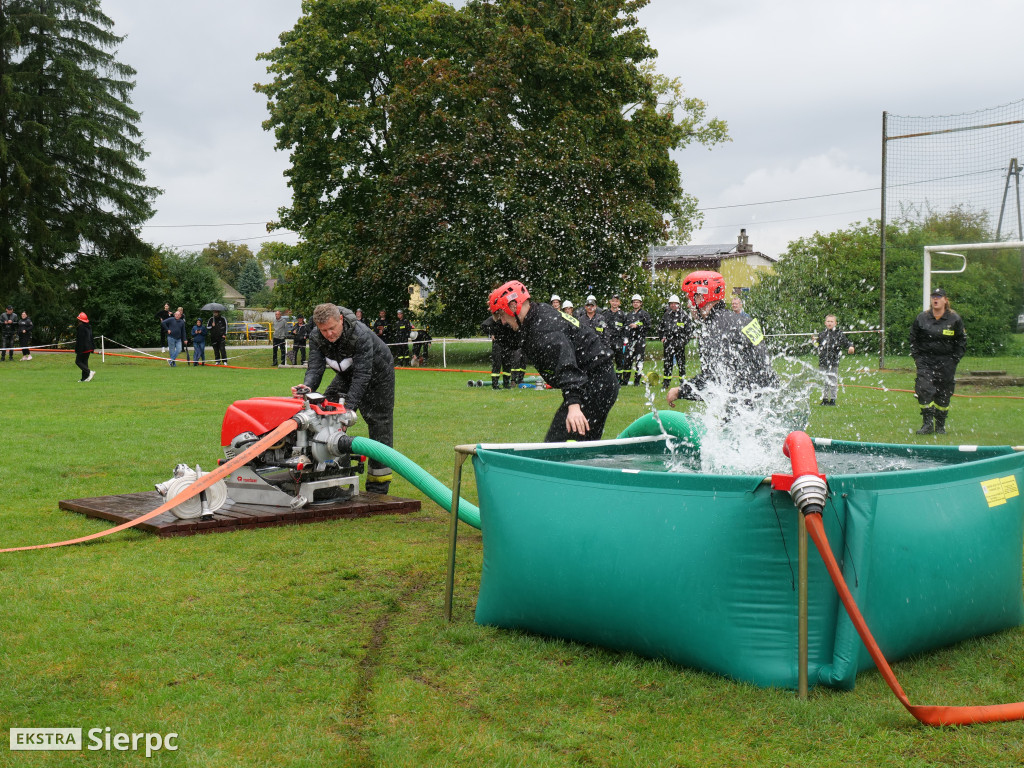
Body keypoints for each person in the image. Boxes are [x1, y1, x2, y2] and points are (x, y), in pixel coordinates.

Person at [489, 280, 619, 442]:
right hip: (597, 380)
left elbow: (566, 361)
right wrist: (493, 316)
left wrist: (573, 405)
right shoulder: (535, 316)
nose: (502, 321)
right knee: (582, 446)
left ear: (514, 306)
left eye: (501, 315)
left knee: (556, 445)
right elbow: (510, 338)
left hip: (595, 382)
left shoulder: (544, 329)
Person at [297, 303, 396, 495]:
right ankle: (332, 475)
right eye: (324, 330)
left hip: (378, 377)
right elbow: (315, 368)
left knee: (379, 425)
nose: (329, 334)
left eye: (332, 328)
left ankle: (378, 487)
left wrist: (348, 408)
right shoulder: (316, 336)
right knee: (326, 416)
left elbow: (362, 376)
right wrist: (307, 387)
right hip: (346, 376)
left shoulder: (360, 334)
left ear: (341, 319)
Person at [666, 271, 778, 407]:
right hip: (768, 399)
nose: (689, 305)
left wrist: (680, 391)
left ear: (701, 297)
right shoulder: (745, 321)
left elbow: (713, 380)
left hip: (745, 404)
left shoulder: (713, 330)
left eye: (690, 299)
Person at [909, 287, 966, 435]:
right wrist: (917, 357)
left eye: (939, 297)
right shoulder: (922, 318)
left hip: (946, 361)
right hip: (925, 361)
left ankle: (940, 425)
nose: (936, 299)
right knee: (924, 389)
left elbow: (961, 341)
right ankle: (927, 424)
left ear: (945, 300)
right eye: (933, 296)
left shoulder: (954, 319)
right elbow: (913, 338)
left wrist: (955, 359)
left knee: (944, 393)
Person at [814, 314, 854, 406]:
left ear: (835, 323)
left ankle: (832, 400)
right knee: (824, 381)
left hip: (834, 362)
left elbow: (847, 342)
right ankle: (824, 399)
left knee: (833, 381)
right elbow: (816, 345)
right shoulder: (821, 334)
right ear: (825, 323)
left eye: (831, 321)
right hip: (822, 361)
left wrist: (851, 347)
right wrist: (814, 341)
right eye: (828, 321)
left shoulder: (839, 334)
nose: (829, 323)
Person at [659, 294, 692, 390]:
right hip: (668, 342)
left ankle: (683, 383)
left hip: (679, 343)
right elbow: (660, 327)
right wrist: (662, 337)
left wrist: (684, 341)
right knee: (667, 364)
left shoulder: (684, 315)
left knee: (681, 364)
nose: (673, 305)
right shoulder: (666, 315)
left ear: (679, 304)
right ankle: (666, 383)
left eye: (675, 303)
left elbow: (689, 330)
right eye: (671, 304)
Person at [480, 314, 523, 390]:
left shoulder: (511, 318)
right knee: (497, 364)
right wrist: (491, 333)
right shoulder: (495, 318)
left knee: (507, 364)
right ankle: (495, 385)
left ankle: (506, 384)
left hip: (508, 344)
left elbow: (517, 328)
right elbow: (483, 325)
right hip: (497, 344)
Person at [624, 294, 652, 386]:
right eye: (634, 302)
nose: (635, 304)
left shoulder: (644, 314)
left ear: (640, 303)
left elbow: (648, 326)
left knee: (639, 361)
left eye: (637, 302)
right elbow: (625, 326)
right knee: (628, 360)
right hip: (630, 340)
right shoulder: (629, 315)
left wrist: (638, 326)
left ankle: (637, 381)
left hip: (640, 340)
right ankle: (626, 380)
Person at [603, 293, 629, 381]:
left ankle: (618, 380)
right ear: (610, 302)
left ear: (619, 303)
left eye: (616, 301)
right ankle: (608, 379)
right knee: (607, 360)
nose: (614, 303)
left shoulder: (623, 315)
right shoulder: (605, 314)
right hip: (608, 341)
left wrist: (625, 340)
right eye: (613, 301)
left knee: (619, 361)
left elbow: (626, 328)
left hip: (619, 340)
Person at [75, 311, 95, 382]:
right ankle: (84, 378)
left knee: (78, 362)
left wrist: (78, 350)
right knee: (84, 362)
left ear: (80, 320)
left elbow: (80, 340)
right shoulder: (88, 327)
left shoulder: (81, 328)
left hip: (83, 348)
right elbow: (91, 337)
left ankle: (89, 372)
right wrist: (93, 348)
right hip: (89, 348)